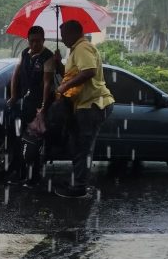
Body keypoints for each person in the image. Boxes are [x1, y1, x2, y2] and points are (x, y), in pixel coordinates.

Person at [54, 20, 115, 198]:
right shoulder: (75, 50)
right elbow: (71, 74)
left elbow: (89, 71)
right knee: (77, 144)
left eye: (64, 35)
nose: (63, 39)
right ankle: (77, 180)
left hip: (93, 105)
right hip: (84, 105)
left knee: (83, 146)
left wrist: (63, 88)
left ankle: (79, 186)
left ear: (74, 33)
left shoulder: (82, 47)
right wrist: (59, 64)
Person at [6, 26, 56, 187]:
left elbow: (48, 84)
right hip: (23, 104)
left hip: (37, 107)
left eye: (38, 41)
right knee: (20, 141)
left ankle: (33, 177)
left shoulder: (48, 57)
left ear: (43, 40)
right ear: (28, 40)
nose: (34, 44)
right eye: (32, 41)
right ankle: (20, 174)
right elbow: (15, 75)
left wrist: (42, 107)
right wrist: (14, 96)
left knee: (34, 144)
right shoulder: (24, 54)